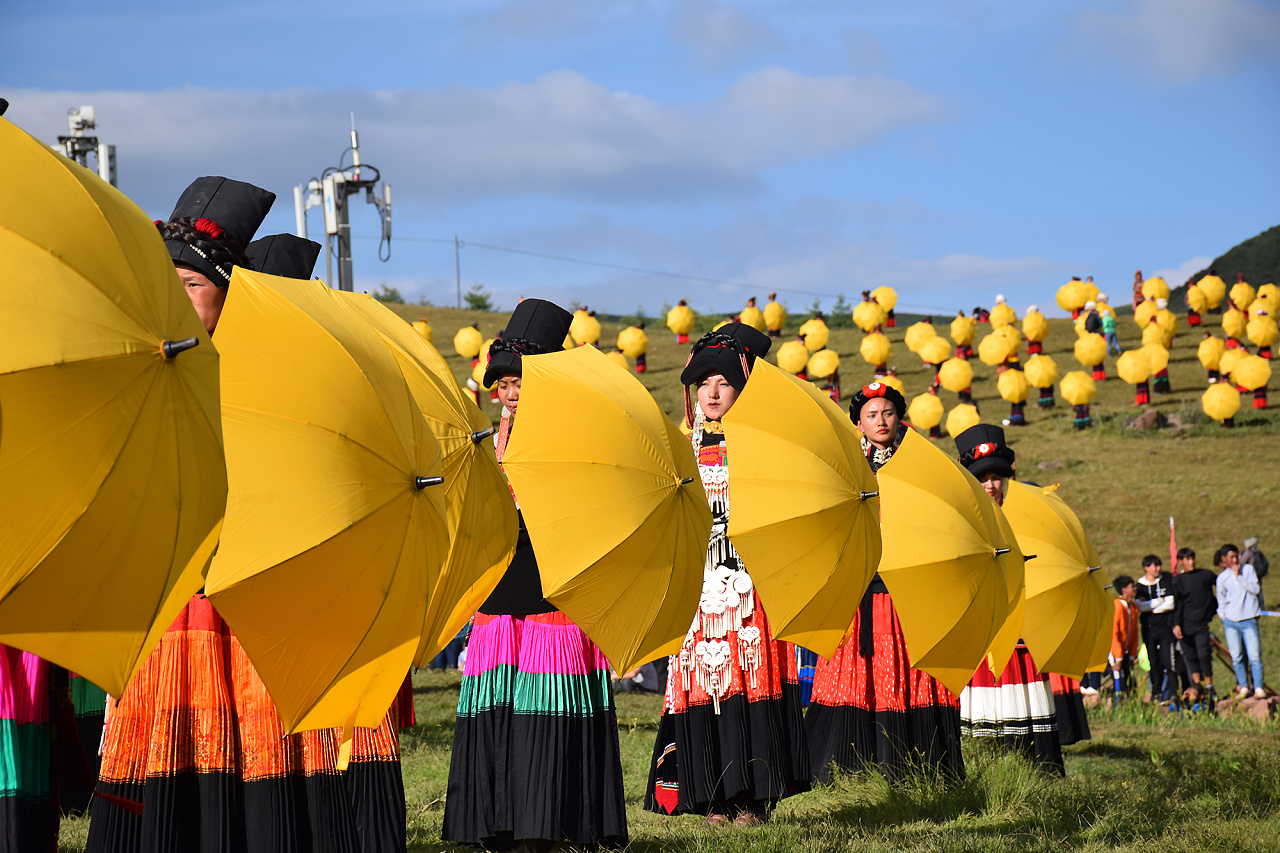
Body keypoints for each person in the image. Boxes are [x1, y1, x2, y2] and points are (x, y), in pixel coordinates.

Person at [90, 184, 413, 853]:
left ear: (226, 292)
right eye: (165, 283)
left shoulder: (273, 376)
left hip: (256, 597)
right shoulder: (147, 370)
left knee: (262, 771)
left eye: (190, 282)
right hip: (175, 604)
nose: (176, 298)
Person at [442, 298, 627, 848]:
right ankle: (496, 821)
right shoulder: (486, 441)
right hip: (500, 590)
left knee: (547, 706)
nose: (512, 392)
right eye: (503, 383)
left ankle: (548, 823)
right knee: (499, 703)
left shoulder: (578, 438)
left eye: (523, 381)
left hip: (554, 592)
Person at [645, 323, 809, 827]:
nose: (712, 393)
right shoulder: (677, 448)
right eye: (704, 384)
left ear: (742, 391)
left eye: (724, 384)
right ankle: (711, 796)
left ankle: (752, 799)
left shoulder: (765, 448)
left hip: (749, 588)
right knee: (702, 687)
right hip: (697, 591)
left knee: (750, 679)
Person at [806, 383, 964, 785]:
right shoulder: (844, 464)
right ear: (858, 422)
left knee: (903, 665)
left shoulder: (919, 465)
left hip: (902, 584)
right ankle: (845, 766)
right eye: (872, 414)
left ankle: (912, 765)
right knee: (853, 666)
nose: (881, 421)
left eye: (888, 413)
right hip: (856, 580)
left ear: (900, 418)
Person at [955, 425, 1064, 776]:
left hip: (1023, 631)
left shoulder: (1029, 516)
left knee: (1027, 701)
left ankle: (1036, 771)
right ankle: (987, 773)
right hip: (982, 629)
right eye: (982, 478)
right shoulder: (962, 519)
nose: (990, 485)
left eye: (997, 477)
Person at [1216, 544, 1266, 699]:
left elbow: (1255, 589)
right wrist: (1223, 616)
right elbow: (1221, 600)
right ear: (1224, 559)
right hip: (1231, 621)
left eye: (1236, 556)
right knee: (1237, 655)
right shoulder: (1222, 578)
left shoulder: (1248, 570)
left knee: (1254, 655)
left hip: (1249, 618)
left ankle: (1258, 686)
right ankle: (1243, 686)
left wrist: (1239, 577)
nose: (1235, 559)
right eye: (1231, 556)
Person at [1172, 547, 1217, 706]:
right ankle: (1197, 684)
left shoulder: (1205, 575)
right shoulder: (1178, 581)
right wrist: (1176, 624)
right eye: (1187, 560)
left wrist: (1213, 609)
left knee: (1204, 653)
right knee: (1190, 655)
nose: (1191, 562)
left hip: (1201, 623)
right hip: (1185, 623)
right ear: (1181, 562)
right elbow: (1177, 604)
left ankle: (1209, 685)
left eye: (1192, 559)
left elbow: (1220, 585)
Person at [1134, 555, 1176, 702]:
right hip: (1148, 628)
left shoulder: (1166, 580)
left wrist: (1151, 606)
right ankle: (1156, 693)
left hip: (1165, 627)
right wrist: (1159, 601)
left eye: (1159, 565)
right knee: (1153, 661)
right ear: (1146, 568)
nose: (1158, 569)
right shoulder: (1139, 586)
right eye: (1154, 566)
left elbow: (1170, 603)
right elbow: (1139, 606)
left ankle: (1173, 693)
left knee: (1169, 662)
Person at [1109, 577, 1140, 698]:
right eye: (1132, 586)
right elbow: (1114, 632)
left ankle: (1129, 707)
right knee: (1119, 681)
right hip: (1115, 652)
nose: (1135, 589)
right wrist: (1118, 658)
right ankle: (1117, 707)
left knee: (1130, 682)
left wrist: (1132, 655)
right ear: (1124, 589)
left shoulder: (1134, 607)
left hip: (1126, 651)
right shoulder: (1117, 606)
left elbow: (1134, 633)